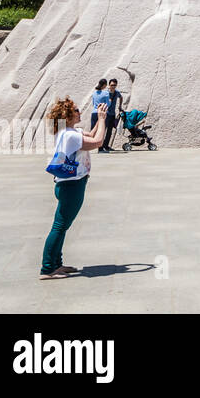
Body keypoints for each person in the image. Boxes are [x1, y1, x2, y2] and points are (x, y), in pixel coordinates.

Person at [40, 96, 107, 279]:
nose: (80, 112)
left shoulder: (68, 132)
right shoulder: (69, 135)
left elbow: (92, 135)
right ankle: (47, 269)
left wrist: (102, 118)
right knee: (60, 226)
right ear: (67, 115)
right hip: (72, 186)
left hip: (69, 185)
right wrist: (101, 119)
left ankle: (56, 264)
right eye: (76, 110)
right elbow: (98, 142)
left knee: (62, 226)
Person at [101, 78, 128, 153]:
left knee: (109, 131)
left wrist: (120, 106)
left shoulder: (117, 93)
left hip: (112, 114)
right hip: (105, 114)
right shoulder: (105, 93)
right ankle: (101, 147)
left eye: (114, 85)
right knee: (103, 131)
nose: (113, 86)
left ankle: (106, 146)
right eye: (112, 85)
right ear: (109, 85)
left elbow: (121, 97)